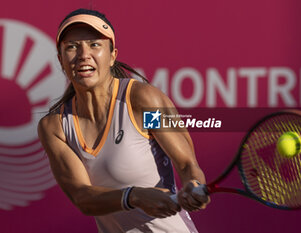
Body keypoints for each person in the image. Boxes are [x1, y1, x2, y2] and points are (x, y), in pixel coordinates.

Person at [38, 8, 209, 233]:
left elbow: (187, 164)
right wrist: (134, 196)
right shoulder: (55, 127)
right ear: (61, 60)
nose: (83, 55)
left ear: (112, 55)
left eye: (94, 44)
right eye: (72, 47)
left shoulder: (143, 100)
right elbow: (83, 197)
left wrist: (193, 186)